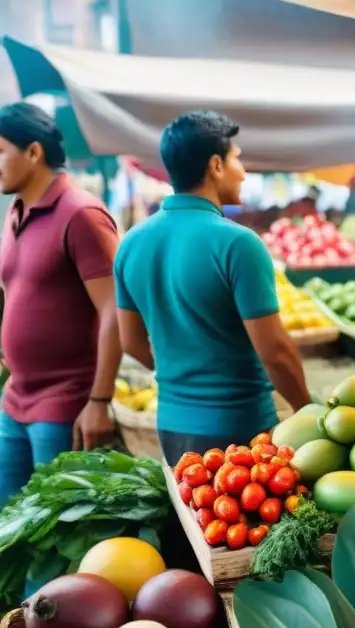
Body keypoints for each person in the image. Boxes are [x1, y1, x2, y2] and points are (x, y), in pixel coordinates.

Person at [114, 111, 310, 459]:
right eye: (237, 159)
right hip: (240, 428)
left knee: (190, 514)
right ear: (216, 165)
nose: (243, 172)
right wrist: (306, 409)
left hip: (172, 424)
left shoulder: (131, 242)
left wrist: (180, 378)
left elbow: (130, 341)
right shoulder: (238, 243)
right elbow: (275, 352)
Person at [0, 102, 120, 504]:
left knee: (54, 541)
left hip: (64, 403)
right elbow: (15, 289)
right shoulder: (14, 211)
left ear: (33, 152)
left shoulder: (81, 214)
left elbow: (114, 312)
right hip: (15, 398)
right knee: (10, 533)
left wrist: (100, 401)